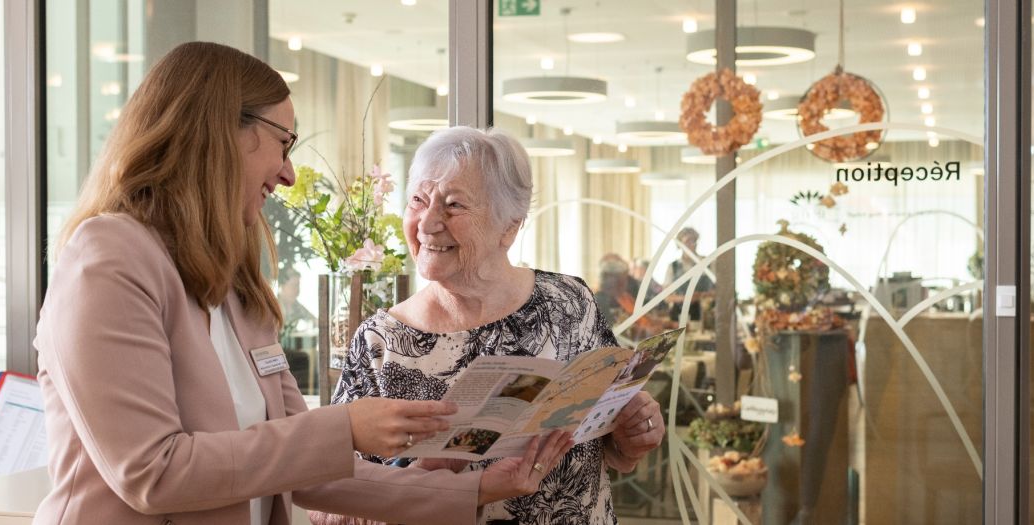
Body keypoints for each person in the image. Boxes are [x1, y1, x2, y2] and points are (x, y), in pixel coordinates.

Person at [34, 42, 571, 525]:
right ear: (220, 131)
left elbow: (309, 471)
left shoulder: (234, 283)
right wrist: (344, 429)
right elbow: (155, 473)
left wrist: (478, 486)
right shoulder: (108, 259)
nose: (289, 173)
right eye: (283, 142)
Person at [328, 127, 666, 524]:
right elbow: (329, 503)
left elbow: (605, 440)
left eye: (453, 205)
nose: (429, 222)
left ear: (510, 228)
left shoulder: (569, 302)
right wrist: (425, 480)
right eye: (418, 200)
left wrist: (633, 437)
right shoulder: (381, 342)